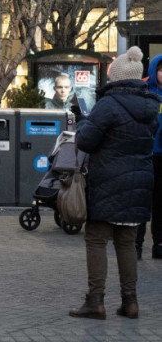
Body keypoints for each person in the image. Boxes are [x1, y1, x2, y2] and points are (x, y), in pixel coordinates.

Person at [69, 47, 157, 320]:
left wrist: (82, 121)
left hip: (107, 180)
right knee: (127, 242)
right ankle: (130, 302)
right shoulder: (150, 106)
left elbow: (86, 141)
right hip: (139, 180)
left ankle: (95, 301)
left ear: (116, 77)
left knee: (96, 239)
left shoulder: (108, 104)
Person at [135, 54, 162, 260]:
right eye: (161, 70)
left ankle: (159, 243)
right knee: (142, 201)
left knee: (160, 203)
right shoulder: (144, 92)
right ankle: (136, 244)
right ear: (154, 70)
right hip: (146, 154)